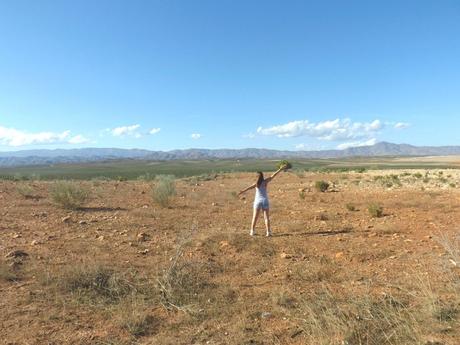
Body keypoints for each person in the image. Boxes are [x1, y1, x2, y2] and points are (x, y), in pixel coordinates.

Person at [238, 165, 287, 236]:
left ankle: (252, 231)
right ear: (262, 176)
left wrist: (242, 191)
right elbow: (273, 175)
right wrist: (280, 169)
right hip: (265, 201)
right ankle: (268, 232)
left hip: (257, 202)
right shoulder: (265, 182)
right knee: (266, 217)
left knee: (255, 217)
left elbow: (248, 188)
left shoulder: (256, 184)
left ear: (257, 177)